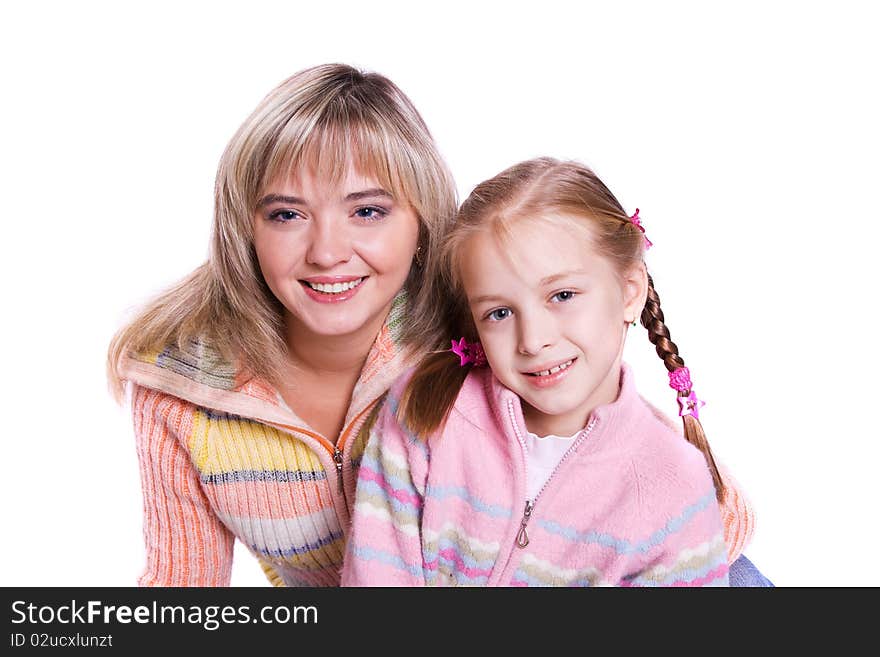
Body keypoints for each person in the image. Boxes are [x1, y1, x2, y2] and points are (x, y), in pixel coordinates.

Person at [107, 63, 458, 586]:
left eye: (367, 212)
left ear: (423, 222)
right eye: (287, 215)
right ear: (245, 230)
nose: (327, 253)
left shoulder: (473, 342)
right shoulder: (180, 389)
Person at [342, 157, 764, 586]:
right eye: (500, 312)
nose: (533, 339)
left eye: (562, 295)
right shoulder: (428, 413)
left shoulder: (672, 485)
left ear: (629, 293)